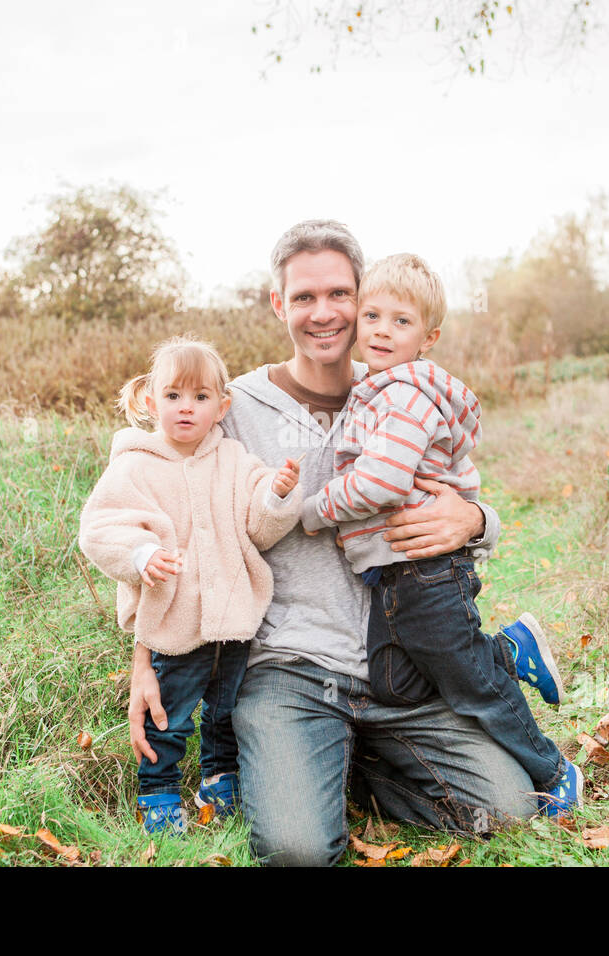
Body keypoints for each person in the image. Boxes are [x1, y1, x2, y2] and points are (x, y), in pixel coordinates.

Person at [128, 221, 574, 866]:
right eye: (304, 297)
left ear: (362, 298)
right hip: (292, 667)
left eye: (340, 293)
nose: (324, 313)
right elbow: (170, 517)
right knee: (298, 851)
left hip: (402, 667)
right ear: (279, 304)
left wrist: (477, 522)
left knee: (505, 809)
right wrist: (146, 658)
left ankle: (344, 764)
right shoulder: (237, 407)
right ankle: (306, 757)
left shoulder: (403, 386)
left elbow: (454, 489)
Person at [298, 251, 581, 809]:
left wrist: (314, 510)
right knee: (394, 683)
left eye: (401, 322)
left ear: (428, 337)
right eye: (373, 316)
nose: (381, 331)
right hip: (390, 578)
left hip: (424, 571)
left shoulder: (405, 395)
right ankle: (508, 651)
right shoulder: (375, 389)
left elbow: (380, 482)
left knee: (472, 684)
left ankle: (552, 769)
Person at [77, 335, 303, 834]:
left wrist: (277, 494)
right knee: (171, 714)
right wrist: (141, 554)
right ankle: (157, 790)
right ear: (150, 400)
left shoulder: (234, 460)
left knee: (226, 710)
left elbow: (259, 526)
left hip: (234, 620)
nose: (186, 408)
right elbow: (99, 528)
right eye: (174, 395)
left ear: (221, 407)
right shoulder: (136, 464)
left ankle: (218, 779)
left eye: (201, 397)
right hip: (174, 620)